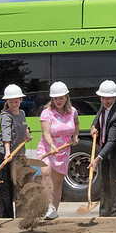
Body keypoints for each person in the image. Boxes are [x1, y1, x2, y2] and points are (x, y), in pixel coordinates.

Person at [37, 81, 79, 220]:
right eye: (55, 98)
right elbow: (47, 133)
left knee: (58, 182)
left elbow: (77, 124)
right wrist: (52, 145)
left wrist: (76, 136)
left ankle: (53, 211)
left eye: (61, 98)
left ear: (66, 97)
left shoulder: (72, 111)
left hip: (63, 151)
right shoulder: (47, 113)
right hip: (48, 149)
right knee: (46, 173)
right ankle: (48, 206)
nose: (58, 101)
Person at [88, 80, 116, 217]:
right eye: (103, 98)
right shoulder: (103, 106)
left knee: (115, 184)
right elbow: (98, 117)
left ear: (115, 97)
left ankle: (113, 216)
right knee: (104, 182)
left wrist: (97, 159)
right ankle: (104, 214)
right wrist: (94, 126)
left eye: (108, 98)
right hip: (105, 150)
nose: (105, 101)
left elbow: (112, 141)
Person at [0, 84, 32, 218]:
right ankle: (6, 217)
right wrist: (7, 152)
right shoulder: (5, 115)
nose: (14, 104)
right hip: (5, 155)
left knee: (20, 185)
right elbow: (6, 135)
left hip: (18, 155)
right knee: (6, 188)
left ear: (21, 100)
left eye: (16, 101)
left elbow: (25, 125)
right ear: (7, 102)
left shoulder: (21, 113)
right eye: (11, 102)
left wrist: (27, 134)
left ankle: (21, 216)